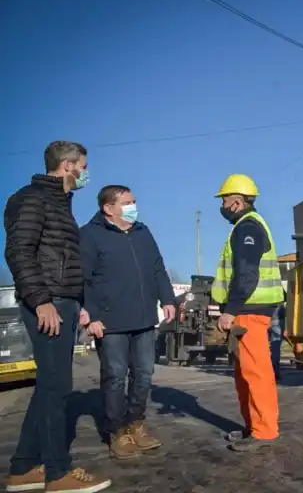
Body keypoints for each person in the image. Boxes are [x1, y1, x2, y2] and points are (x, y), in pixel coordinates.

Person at [3, 141, 112, 493]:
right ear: (68, 165)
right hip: (47, 304)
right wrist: (42, 301)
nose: (85, 172)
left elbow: (61, 259)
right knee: (56, 387)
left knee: (49, 386)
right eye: (83, 165)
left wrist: (76, 302)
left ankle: (22, 469)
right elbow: (19, 251)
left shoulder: (59, 202)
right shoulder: (33, 198)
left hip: (62, 302)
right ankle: (57, 473)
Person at [80, 185, 176, 460]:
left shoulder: (142, 232)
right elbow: (83, 279)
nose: (134, 206)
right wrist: (92, 315)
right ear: (108, 209)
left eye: (134, 201)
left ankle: (136, 423)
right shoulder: (90, 235)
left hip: (144, 318)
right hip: (110, 323)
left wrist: (168, 300)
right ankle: (117, 431)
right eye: (127, 202)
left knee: (144, 374)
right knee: (115, 377)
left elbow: (157, 267)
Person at [212, 174, 284, 452]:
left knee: (256, 371)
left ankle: (264, 430)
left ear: (238, 201)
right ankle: (253, 426)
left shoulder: (248, 228)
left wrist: (230, 311)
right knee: (245, 373)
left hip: (250, 311)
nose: (223, 204)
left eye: (225, 199)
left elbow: (247, 274)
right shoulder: (245, 226)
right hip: (247, 311)